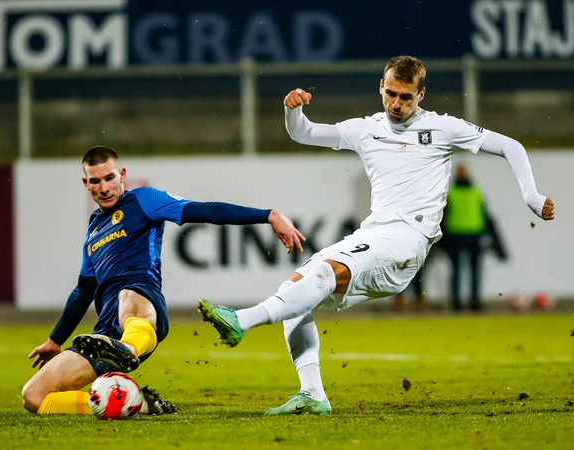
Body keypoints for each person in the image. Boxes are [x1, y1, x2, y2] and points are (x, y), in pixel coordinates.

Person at [198, 55, 555, 415]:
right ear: (380, 88)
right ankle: (312, 395)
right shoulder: (365, 129)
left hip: (408, 241)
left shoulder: (442, 128)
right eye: (391, 94)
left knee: (321, 274)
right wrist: (292, 110)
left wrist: (531, 195)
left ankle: (242, 320)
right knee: (294, 292)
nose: (396, 104)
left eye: (406, 97)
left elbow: (511, 146)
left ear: (421, 95)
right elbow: (303, 132)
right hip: (374, 233)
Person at [21, 146, 305, 415]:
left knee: (125, 295)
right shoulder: (94, 230)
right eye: (96, 181)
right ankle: (137, 404)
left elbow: (205, 210)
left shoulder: (144, 200)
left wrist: (267, 215)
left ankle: (126, 349)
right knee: (33, 396)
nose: (104, 187)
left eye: (109, 177)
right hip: (102, 335)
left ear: (122, 175)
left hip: (142, 302)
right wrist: (54, 340)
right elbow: (83, 291)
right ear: (86, 183)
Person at [442, 163, 507, 312]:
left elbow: (484, 216)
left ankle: (472, 301)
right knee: (461, 270)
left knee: (470, 270)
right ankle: (459, 302)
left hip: (470, 235)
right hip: (458, 235)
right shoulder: (464, 192)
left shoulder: (466, 192)